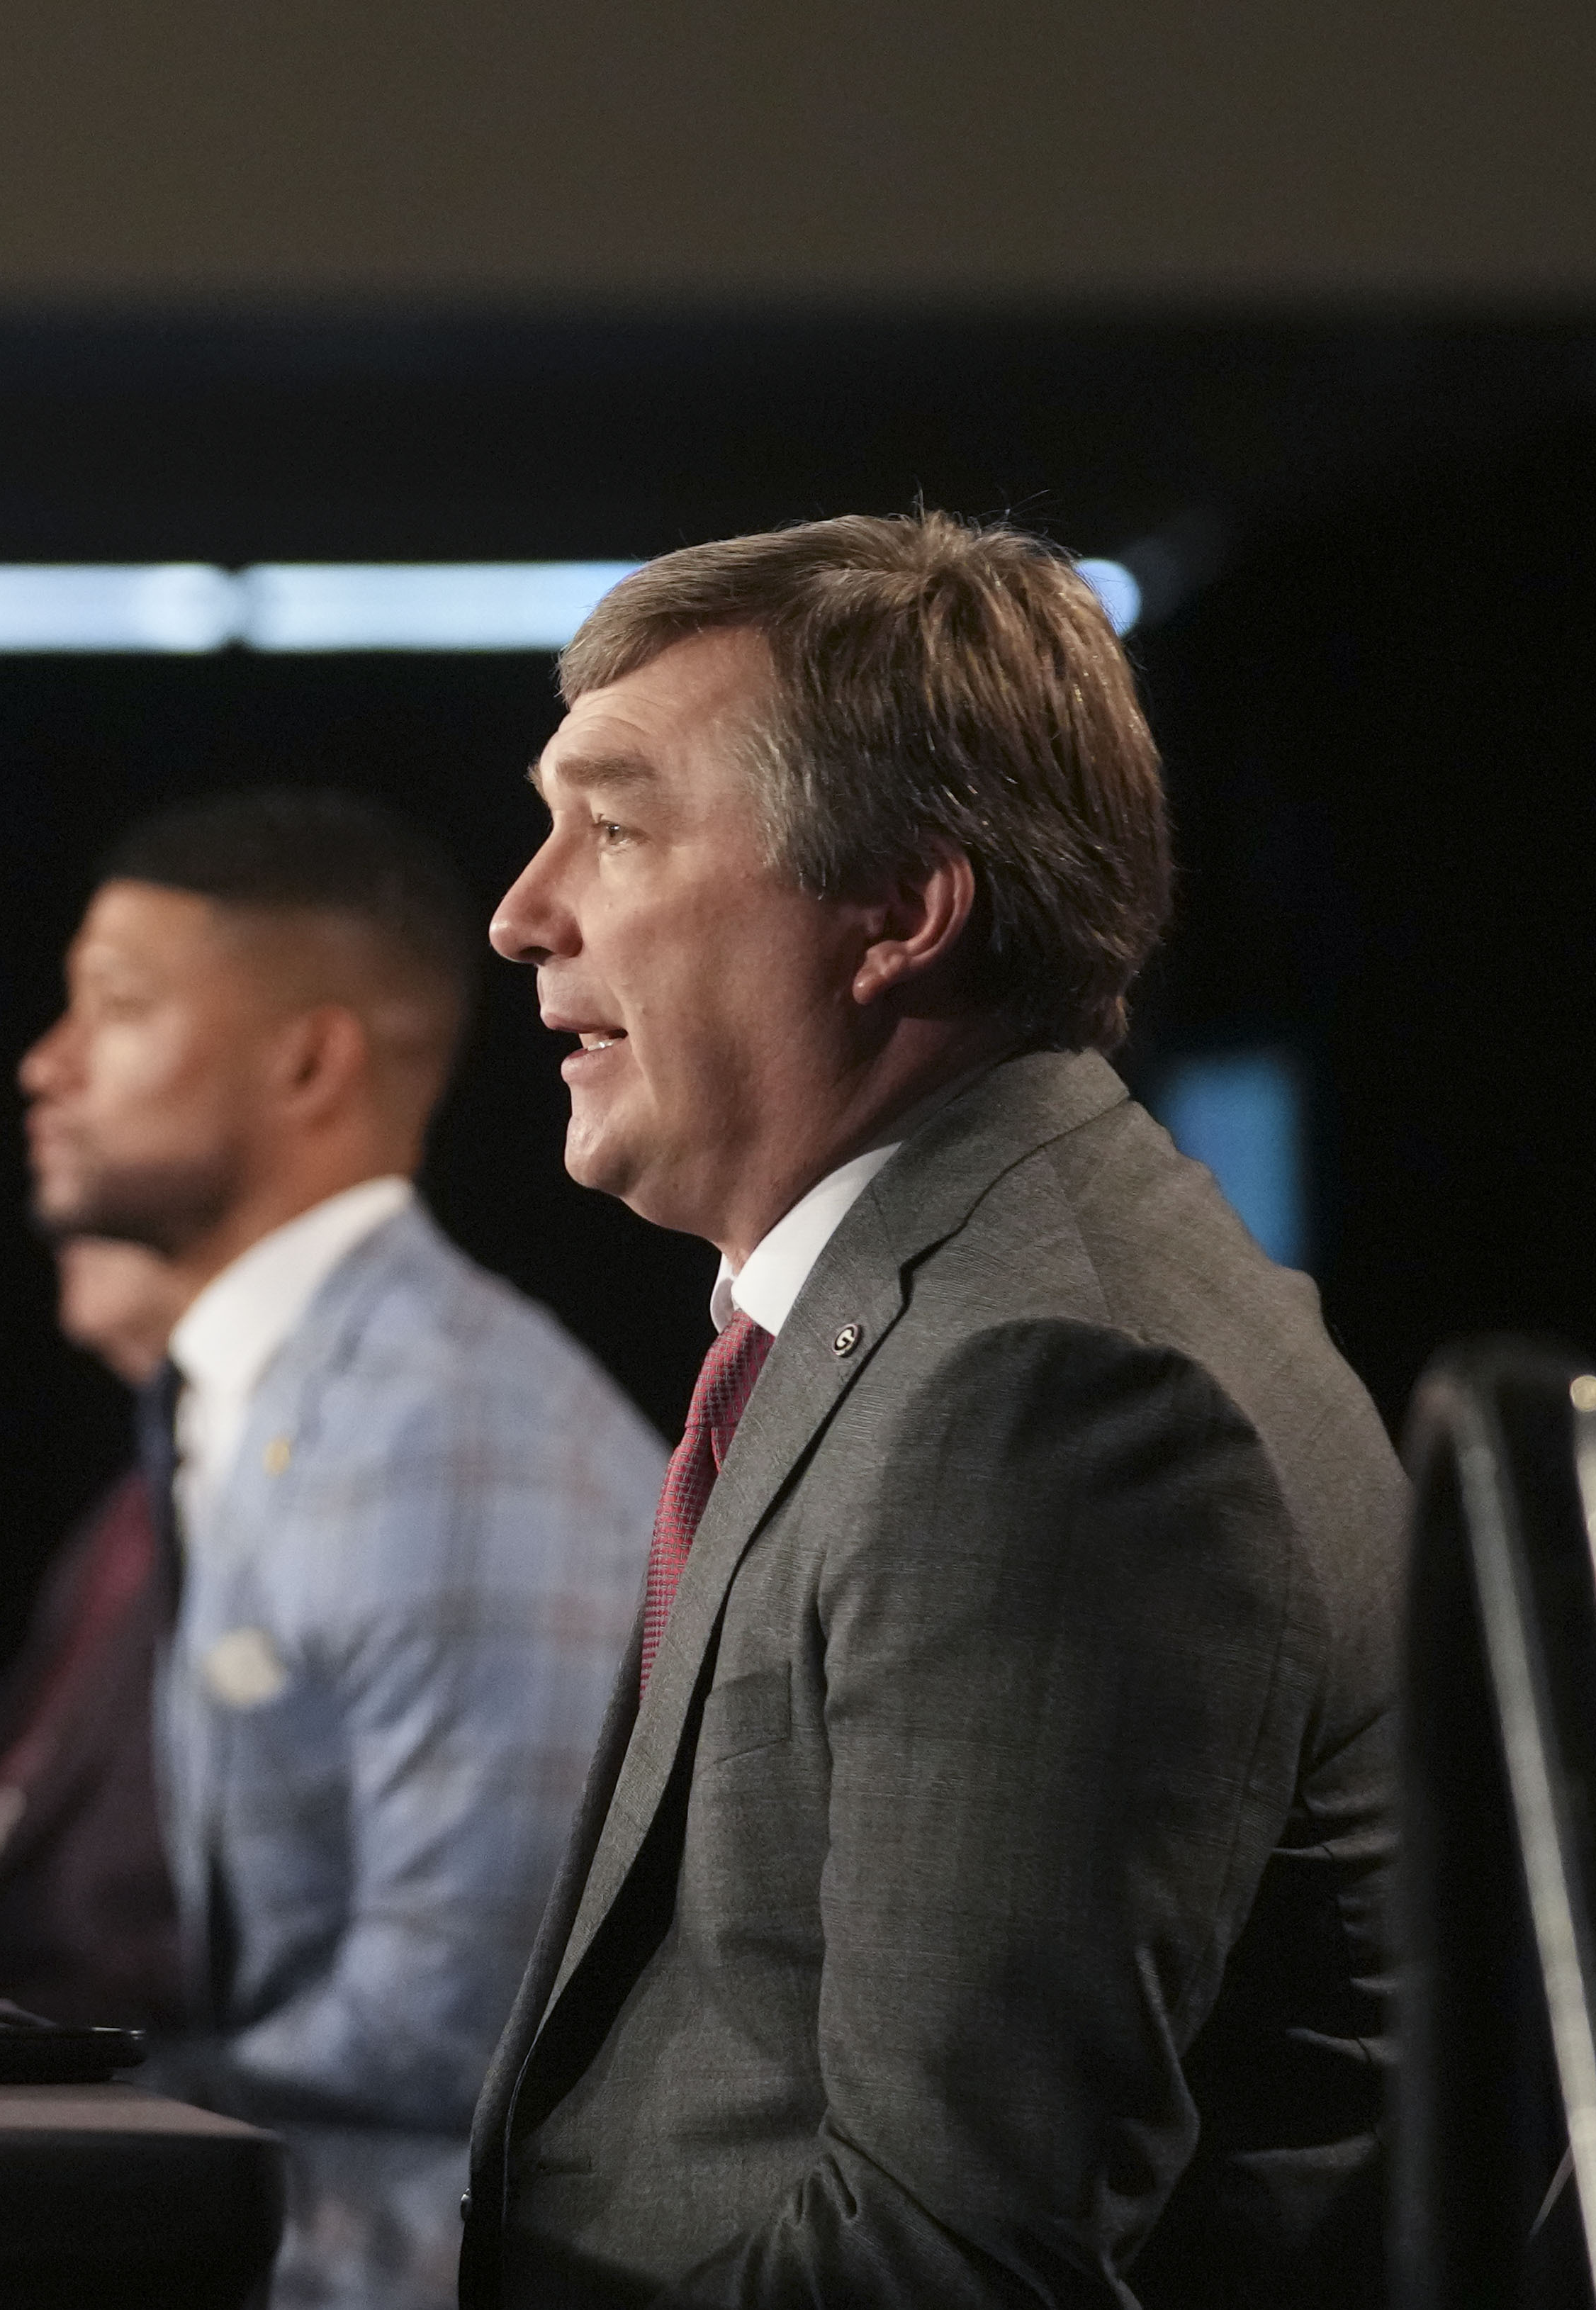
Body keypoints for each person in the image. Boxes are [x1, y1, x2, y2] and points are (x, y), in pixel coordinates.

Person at [465, 513, 1399, 2306]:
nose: (523, 909)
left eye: (618, 826)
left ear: (897, 908)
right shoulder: (923, 1300)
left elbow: (944, 2258)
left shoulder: (1048, 1393)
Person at [19, 788, 662, 2310]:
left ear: (307, 1061)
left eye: (111, 1010)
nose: (44, 1065)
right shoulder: (272, 1394)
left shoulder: (439, 1429)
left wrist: (22, 2128)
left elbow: (453, 2021)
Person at [0, 1235, 191, 2032]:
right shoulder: (128, 1509)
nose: (63, 1231)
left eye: (117, 1215)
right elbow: (17, 1809)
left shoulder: (281, 1493)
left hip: (110, 2047)